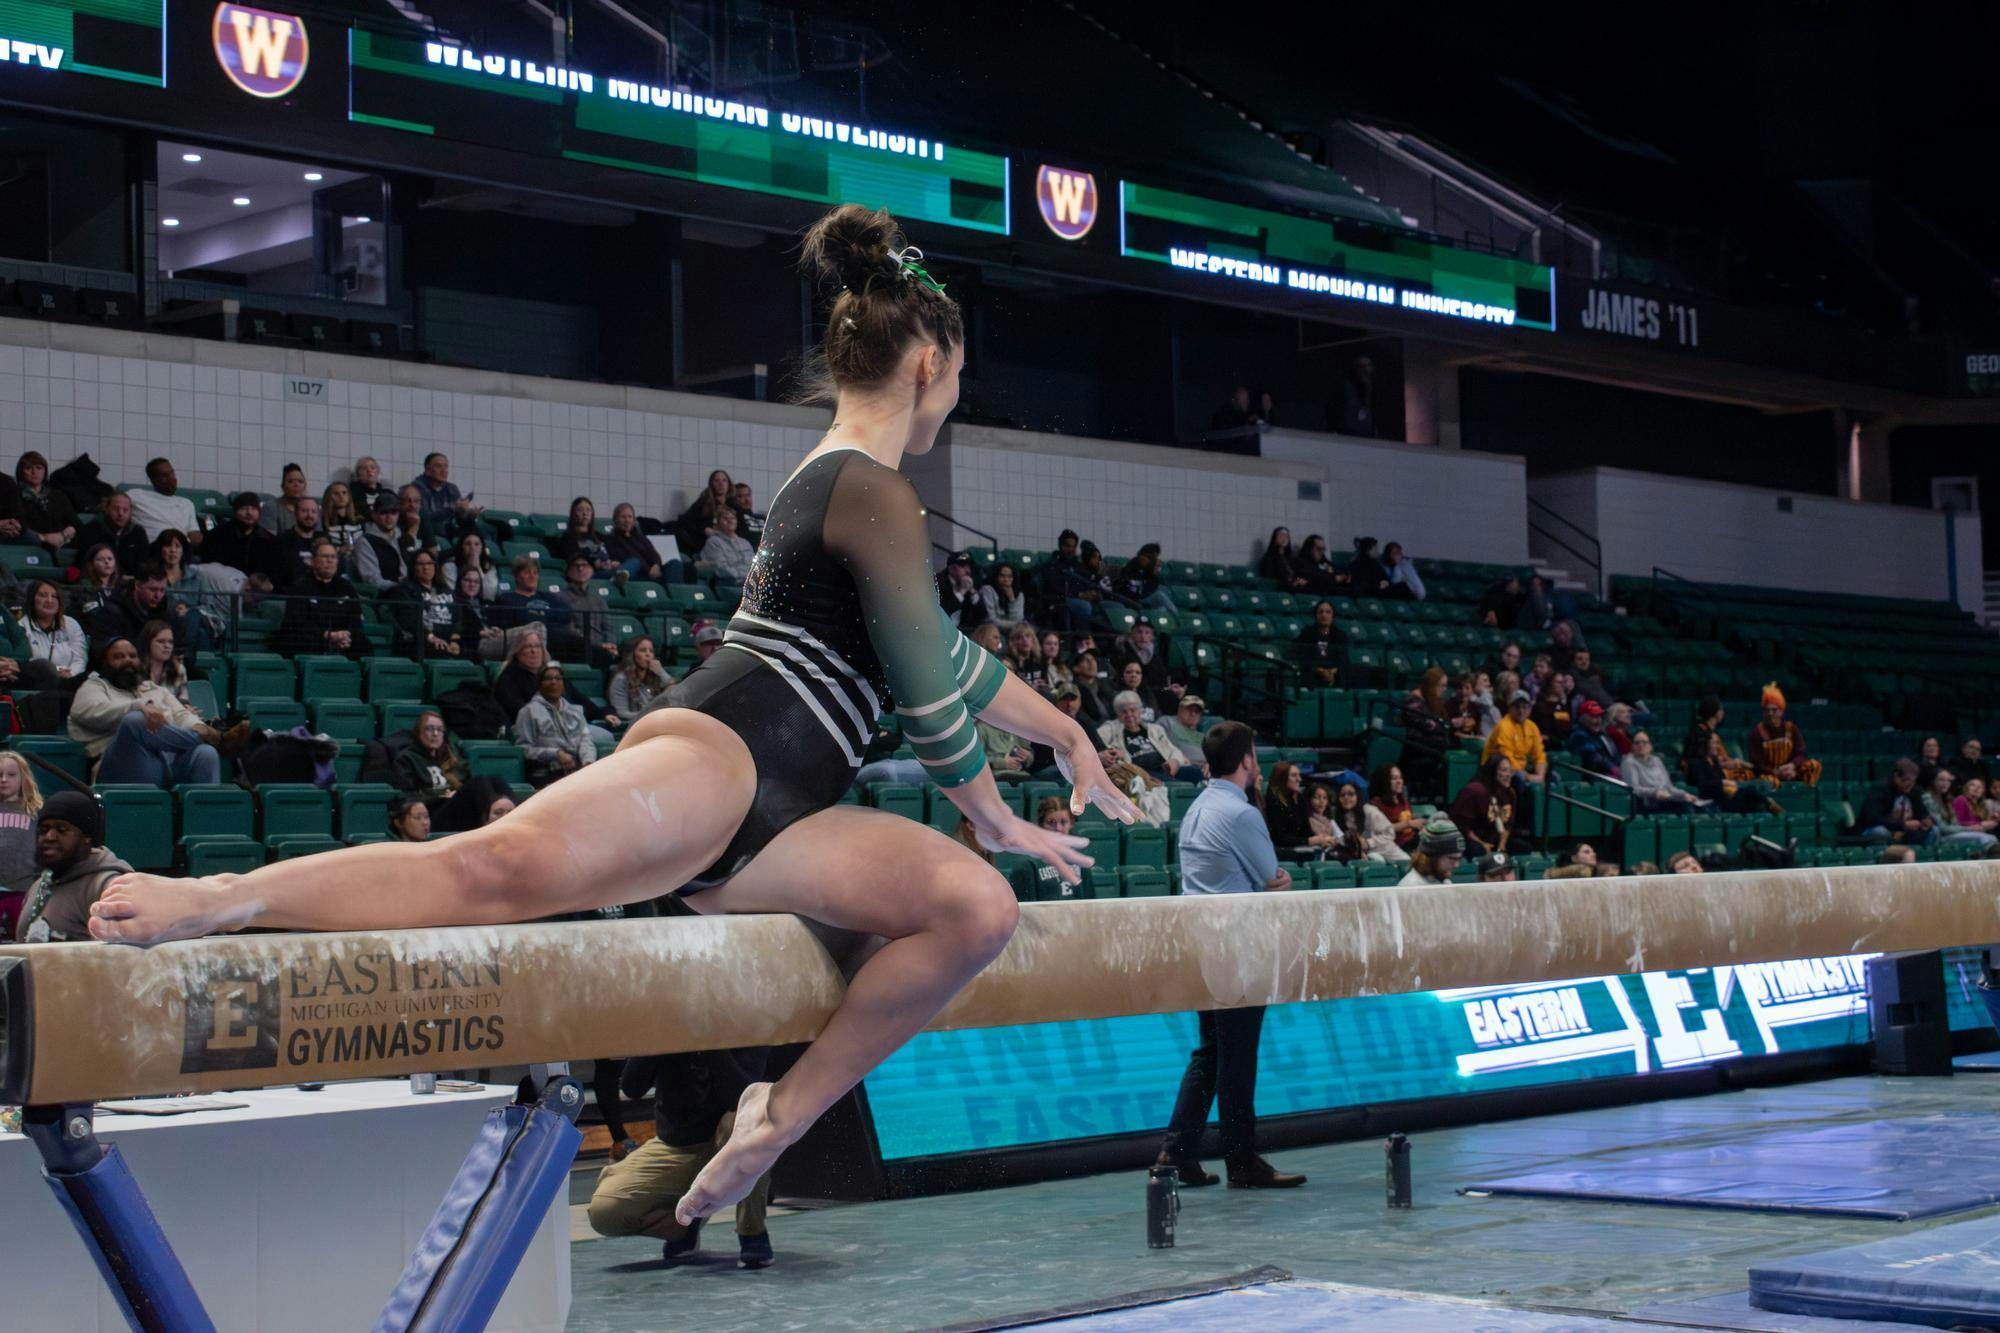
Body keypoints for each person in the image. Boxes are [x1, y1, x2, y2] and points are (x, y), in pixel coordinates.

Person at [86, 203, 1130, 1233]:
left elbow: (944, 656)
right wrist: (990, 808)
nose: (961, 384)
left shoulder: (866, 491)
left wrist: (1067, 735)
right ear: (928, 362)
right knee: (492, 873)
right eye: (961, 366)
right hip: (720, 756)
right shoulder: (868, 487)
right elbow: (920, 688)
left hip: (799, 805)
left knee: (973, 911)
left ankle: (779, 1111)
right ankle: (221, 896)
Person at [1155, 720, 1303, 1191]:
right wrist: (1280, 878)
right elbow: (1272, 877)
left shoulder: (1198, 808)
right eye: (1254, 754)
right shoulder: (1241, 815)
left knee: (1212, 1053)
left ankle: (1176, 1154)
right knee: (1236, 1057)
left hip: (1204, 944)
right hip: (1237, 947)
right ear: (1247, 762)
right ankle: (1241, 1161)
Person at [589, 1049, 775, 1269]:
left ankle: (752, 1233)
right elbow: (632, 1088)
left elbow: (741, 1097)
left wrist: (709, 1043)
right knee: (605, 1211)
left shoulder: (742, 1025)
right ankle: (686, 1225)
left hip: (730, 1143)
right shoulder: (669, 1025)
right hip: (677, 1147)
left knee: (749, 1122)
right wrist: (660, 1037)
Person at [68, 638, 226, 786]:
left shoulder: (153, 689)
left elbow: (181, 715)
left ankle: (204, 813)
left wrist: (199, 726)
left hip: (166, 762)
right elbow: (89, 711)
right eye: (119, 657)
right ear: (105, 663)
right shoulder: (95, 686)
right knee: (135, 720)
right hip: (121, 765)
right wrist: (138, 706)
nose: (128, 660)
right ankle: (215, 740)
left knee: (206, 753)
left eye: (132, 656)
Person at [12, 791, 133, 943]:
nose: (49, 837)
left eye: (61, 829)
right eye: (43, 830)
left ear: (86, 837)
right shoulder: (38, 885)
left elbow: (118, 958)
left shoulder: (108, 886)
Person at [274, 541, 365, 658]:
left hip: (341, 638)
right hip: (312, 638)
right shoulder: (300, 587)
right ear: (312, 561)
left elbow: (356, 619)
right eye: (325, 556)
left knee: (363, 644)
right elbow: (296, 623)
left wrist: (346, 635)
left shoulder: (346, 587)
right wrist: (327, 635)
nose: (330, 560)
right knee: (300, 641)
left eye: (333, 557)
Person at [492, 556, 585, 662]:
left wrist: (536, 617)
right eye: (527, 572)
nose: (532, 576)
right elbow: (520, 621)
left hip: (562, 639)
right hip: (533, 640)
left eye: (535, 573)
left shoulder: (549, 597)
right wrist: (545, 617)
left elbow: (566, 615)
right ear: (517, 576)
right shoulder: (507, 599)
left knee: (599, 653)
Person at [1098, 690, 1202, 782]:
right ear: (1118, 714)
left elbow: (1174, 750)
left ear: (1140, 711)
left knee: (1196, 772)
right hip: (1138, 773)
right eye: (1124, 712)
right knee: (1176, 784)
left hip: (1164, 769)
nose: (1129, 715)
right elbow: (1095, 748)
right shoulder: (1109, 729)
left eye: (1133, 710)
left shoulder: (1155, 730)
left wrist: (1175, 761)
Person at [0, 752, 44, 934]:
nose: (4, 780)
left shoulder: (36, 811)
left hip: (23, 890)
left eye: (11, 775)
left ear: (23, 777)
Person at [1747, 683, 1822, 788]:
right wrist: (1776, 772)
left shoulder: (1791, 729)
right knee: (1767, 782)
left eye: (1774, 710)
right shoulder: (1756, 733)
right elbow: (1757, 764)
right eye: (1767, 710)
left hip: (1791, 771)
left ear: (1781, 711)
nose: (1770, 713)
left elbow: (1801, 754)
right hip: (1771, 774)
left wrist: (1792, 766)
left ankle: (1805, 796)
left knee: (1814, 766)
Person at [204, 492, 287, 585]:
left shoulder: (269, 540)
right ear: (235, 511)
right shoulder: (217, 535)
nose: (249, 513)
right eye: (243, 508)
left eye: (254, 509)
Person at [1687, 730, 1778, 814]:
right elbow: (1703, 785)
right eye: (1714, 743)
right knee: (1752, 790)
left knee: (1759, 805)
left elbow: (1721, 780)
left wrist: (1726, 784)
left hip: (1726, 797)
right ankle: (1770, 803)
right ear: (1705, 744)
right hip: (1714, 802)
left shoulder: (1714, 762)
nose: (1718, 747)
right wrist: (1723, 783)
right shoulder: (1696, 763)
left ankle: (1768, 807)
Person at [19, 577, 87, 684]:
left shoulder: (71, 624)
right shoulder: (21, 626)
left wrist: (71, 674)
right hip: (36, 682)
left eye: (54, 597)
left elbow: (80, 659)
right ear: (32, 599)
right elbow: (29, 662)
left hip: (71, 680)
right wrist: (57, 671)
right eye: (43, 595)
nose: (49, 600)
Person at [1325, 778, 1407, 865]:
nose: (1346, 798)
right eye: (1342, 795)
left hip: (1388, 852)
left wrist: (1368, 843)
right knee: (1374, 859)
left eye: (1351, 794)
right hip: (1370, 855)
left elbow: (1390, 833)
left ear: (1358, 796)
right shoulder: (1338, 816)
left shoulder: (1369, 811)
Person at [392, 710, 466, 804]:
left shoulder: (448, 757)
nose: (435, 734)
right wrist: (440, 798)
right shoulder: (406, 759)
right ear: (419, 732)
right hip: (428, 812)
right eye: (429, 729)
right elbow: (407, 797)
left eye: (440, 729)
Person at [1450, 757, 1520, 857]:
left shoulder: (1510, 793)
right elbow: (1463, 827)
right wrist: (1483, 844)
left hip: (1493, 839)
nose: (1508, 775)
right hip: (1469, 838)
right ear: (1492, 771)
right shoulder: (1475, 790)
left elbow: (1508, 825)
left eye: (1510, 771)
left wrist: (1501, 846)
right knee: (1478, 851)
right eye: (1504, 770)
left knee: (1522, 848)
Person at [127, 456, 203, 544]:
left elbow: (195, 534)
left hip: (180, 551)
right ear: (153, 480)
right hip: (152, 550)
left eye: (172, 473)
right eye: (165, 475)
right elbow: (112, 503)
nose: (172, 478)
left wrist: (186, 542)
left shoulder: (186, 503)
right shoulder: (136, 495)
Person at [1621, 731, 1701, 812]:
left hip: (1665, 799)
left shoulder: (1657, 760)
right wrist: (1654, 793)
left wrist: (1684, 794)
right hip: (1647, 803)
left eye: (1644, 742)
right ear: (1632, 746)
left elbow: (1669, 787)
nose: (1641, 745)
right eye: (1637, 743)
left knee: (1691, 802)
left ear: (1650, 746)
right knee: (1686, 807)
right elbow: (1633, 789)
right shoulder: (1628, 763)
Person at [13, 451, 76, 550]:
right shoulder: (14, 495)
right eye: (28, 468)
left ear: (45, 471)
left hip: (62, 544)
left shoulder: (58, 496)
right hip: (29, 545)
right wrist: (44, 538)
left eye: (39, 467)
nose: (34, 472)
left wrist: (63, 535)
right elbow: (19, 526)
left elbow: (75, 523)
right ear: (21, 472)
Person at [74, 492, 151, 573]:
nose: (121, 513)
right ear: (106, 509)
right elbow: (83, 561)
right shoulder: (92, 530)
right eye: (116, 509)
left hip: (130, 581)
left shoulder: (138, 532)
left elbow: (144, 563)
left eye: (125, 510)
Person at [1923, 768, 1996, 852]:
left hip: (1953, 834)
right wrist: (1971, 828)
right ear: (1933, 781)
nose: (1945, 783)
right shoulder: (1928, 798)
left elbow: (1955, 824)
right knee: (1985, 838)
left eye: (1948, 781)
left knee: (1991, 838)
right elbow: (1942, 828)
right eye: (1941, 780)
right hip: (1939, 837)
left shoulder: (1947, 799)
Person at [352, 493, 411, 591]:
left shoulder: (404, 538)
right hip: (387, 596)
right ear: (374, 515)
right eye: (384, 512)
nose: (389, 517)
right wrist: (400, 588)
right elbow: (372, 580)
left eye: (393, 512)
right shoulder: (365, 542)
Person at [605, 503, 674, 584]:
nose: (627, 520)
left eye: (630, 517)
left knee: (675, 563)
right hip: (635, 574)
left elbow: (654, 554)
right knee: (635, 561)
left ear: (634, 520)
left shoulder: (641, 537)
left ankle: (674, 593)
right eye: (623, 517)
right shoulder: (611, 539)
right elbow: (622, 559)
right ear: (615, 520)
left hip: (652, 573)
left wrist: (656, 566)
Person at [411, 452, 481, 529]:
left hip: (451, 530)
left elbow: (459, 520)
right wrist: (452, 509)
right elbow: (426, 518)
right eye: (439, 466)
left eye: (446, 467)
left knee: (483, 530)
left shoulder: (452, 488)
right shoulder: (416, 488)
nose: (444, 470)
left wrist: (469, 516)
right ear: (427, 470)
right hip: (430, 532)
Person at [1262, 761, 1317, 856]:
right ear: (1282, 778)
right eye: (1294, 775)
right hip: (1282, 851)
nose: (1299, 779)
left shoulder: (1299, 798)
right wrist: (1308, 841)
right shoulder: (1272, 801)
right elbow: (1279, 838)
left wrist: (1321, 839)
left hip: (1301, 848)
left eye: (1299, 775)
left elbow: (1306, 830)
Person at [675, 469, 735, 554]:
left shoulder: (734, 505)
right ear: (711, 484)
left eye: (724, 480)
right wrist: (704, 529)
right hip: (708, 545)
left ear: (729, 484)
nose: (721, 484)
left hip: (730, 545)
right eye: (716, 481)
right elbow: (685, 521)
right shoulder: (703, 503)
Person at [609, 637, 672, 717]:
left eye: (651, 651)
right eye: (643, 650)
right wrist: (650, 715)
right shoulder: (621, 679)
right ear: (632, 655)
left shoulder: (657, 676)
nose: (648, 654)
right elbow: (621, 713)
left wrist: (662, 673)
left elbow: (676, 694)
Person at [555, 497, 618, 577]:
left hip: (608, 569)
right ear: (574, 514)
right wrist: (595, 563)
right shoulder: (568, 537)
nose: (585, 513)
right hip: (589, 573)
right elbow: (573, 559)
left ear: (592, 514)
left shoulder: (599, 536)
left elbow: (610, 553)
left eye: (588, 510)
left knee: (634, 562)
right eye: (580, 510)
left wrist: (613, 562)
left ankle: (619, 576)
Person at [1109, 544, 1177, 614]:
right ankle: (1174, 617)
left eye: (1153, 558)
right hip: (1130, 599)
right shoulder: (1130, 567)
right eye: (1148, 557)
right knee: (1159, 596)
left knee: (1162, 606)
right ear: (1141, 555)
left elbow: (1151, 589)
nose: (1151, 560)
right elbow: (1124, 588)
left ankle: (1172, 617)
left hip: (1142, 599)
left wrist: (1153, 575)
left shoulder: (1150, 569)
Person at [1368, 764, 1421, 854]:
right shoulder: (1376, 804)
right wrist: (1408, 823)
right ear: (1384, 781)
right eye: (1394, 778)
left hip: (1412, 841)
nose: (1399, 781)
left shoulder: (1403, 800)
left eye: (1400, 778)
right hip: (1396, 846)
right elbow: (1381, 830)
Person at [1398, 816, 1464, 886]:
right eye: (1451, 858)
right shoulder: (1410, 886)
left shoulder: (1446, 882)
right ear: (1432, 856)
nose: (1456, 865)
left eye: (1458, 859)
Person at [274, 494, 326, 583]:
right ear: (296, 514)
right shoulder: (282, 539)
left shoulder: (324, 540)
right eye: (304, 511)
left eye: (313, 512)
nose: (309, 515)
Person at [1293, 600, 1346, 686]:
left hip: (1334, 675)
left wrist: (1331, 672)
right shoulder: (1306, 634)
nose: (1324, 615)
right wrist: (1321, 671)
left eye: (1328, 612)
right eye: (1320, 612)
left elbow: (1343, 659)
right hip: (1312, 674)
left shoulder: (1340, 636)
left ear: (1333, 616)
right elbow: (1303, 658)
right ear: (1316, 615)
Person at [66, 543, 122, 622]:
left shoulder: (123, 588)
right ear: (91, 564)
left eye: (110, 559)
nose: (106, 562)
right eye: (100, 559)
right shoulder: (83, 589)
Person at [1567, 700, 1622, 777]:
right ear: (1583, 718)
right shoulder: (1579, 736)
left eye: (1600, 717)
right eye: (1594, 717)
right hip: (1592, 777)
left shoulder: (1602, 735)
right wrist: (1611, 768)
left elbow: (1615, 755)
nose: (1598, 721)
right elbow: (1592, 756)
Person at [443, 530, 498, 603]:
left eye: (476, 544)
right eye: (468, 544)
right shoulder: (450, 565)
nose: (472, 547)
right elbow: (451, 592)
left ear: (482, 548)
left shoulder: (488, 565)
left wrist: (478, 569)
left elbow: (489, 595)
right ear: (462, 547)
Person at [936, 551, 986, 630]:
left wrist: (972, 592)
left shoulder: (970, 581)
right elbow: (942, 612)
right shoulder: (938, 582)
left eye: (969, 566)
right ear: (951, 569)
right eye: (963, 566)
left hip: (964, 630)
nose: (968, 570)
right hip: (942, 630)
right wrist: (961, 592)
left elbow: (983, 614)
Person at [259, 463, 310, 535]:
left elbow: (319, 537)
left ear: (305, 487)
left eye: (300, 482)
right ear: (282, 486)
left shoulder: (311, 509)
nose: (296, 485)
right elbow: (268, 540)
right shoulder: (271, 507)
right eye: (290, 481)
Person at [320, 481, 366, 561]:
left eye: (344, 493)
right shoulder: (323, 521)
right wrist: (338, 550)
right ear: (329, 497)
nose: (341, 496)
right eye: (336, 493)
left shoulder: (360, 521)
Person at [979, 563, 1026, 631]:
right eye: (1002, 576)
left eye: (1009, 577)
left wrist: (1012, 599)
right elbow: (990, 619)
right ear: (996, 577)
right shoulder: (987, 590)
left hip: (1014, 632)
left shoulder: (1019, 594)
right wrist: (1016, 625)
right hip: (991, 630)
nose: (1006, 580)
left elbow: (1018, 618)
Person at [730, 482, 765, 548]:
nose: (747, 499)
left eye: (748, 495)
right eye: (740, 496)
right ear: (734, 499)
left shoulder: (762, 517)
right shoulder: (734, 519)